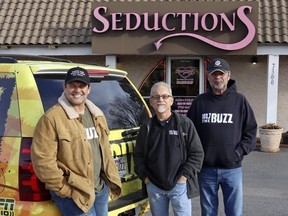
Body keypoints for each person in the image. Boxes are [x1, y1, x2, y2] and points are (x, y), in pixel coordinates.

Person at [31, 66, 121, 216]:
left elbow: (105, 151)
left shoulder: (97, 115)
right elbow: (43, 161)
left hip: (100, 190)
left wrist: (108, 182)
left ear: (89, 89)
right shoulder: (52, 118)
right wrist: (65, 190)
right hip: (76, 194)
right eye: (72, 85)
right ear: (64, 87)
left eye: (81, 86)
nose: (77, 90)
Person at [187, 58, 257, 216]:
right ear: (208, 77)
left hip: (232, 169)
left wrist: (238, 152)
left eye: (221, 74)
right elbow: (189, 133)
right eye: (214, 74)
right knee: (208, 212)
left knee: (234, 212)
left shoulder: (240, 101)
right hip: (206, 169)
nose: (217, 77)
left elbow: (251, 131)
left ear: (228, 75)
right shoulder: (200, 102)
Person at [134, 81, 204, 216]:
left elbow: (197, 154)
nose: (160, 100)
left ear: (171, 100)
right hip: (154, 186)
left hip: (180, 186)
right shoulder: (146, 128)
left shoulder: (184, 124)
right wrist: (146, 179)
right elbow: (138, 156)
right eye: (156, 97)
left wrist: (183, 178)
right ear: (151, 102)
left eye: (164, 96)